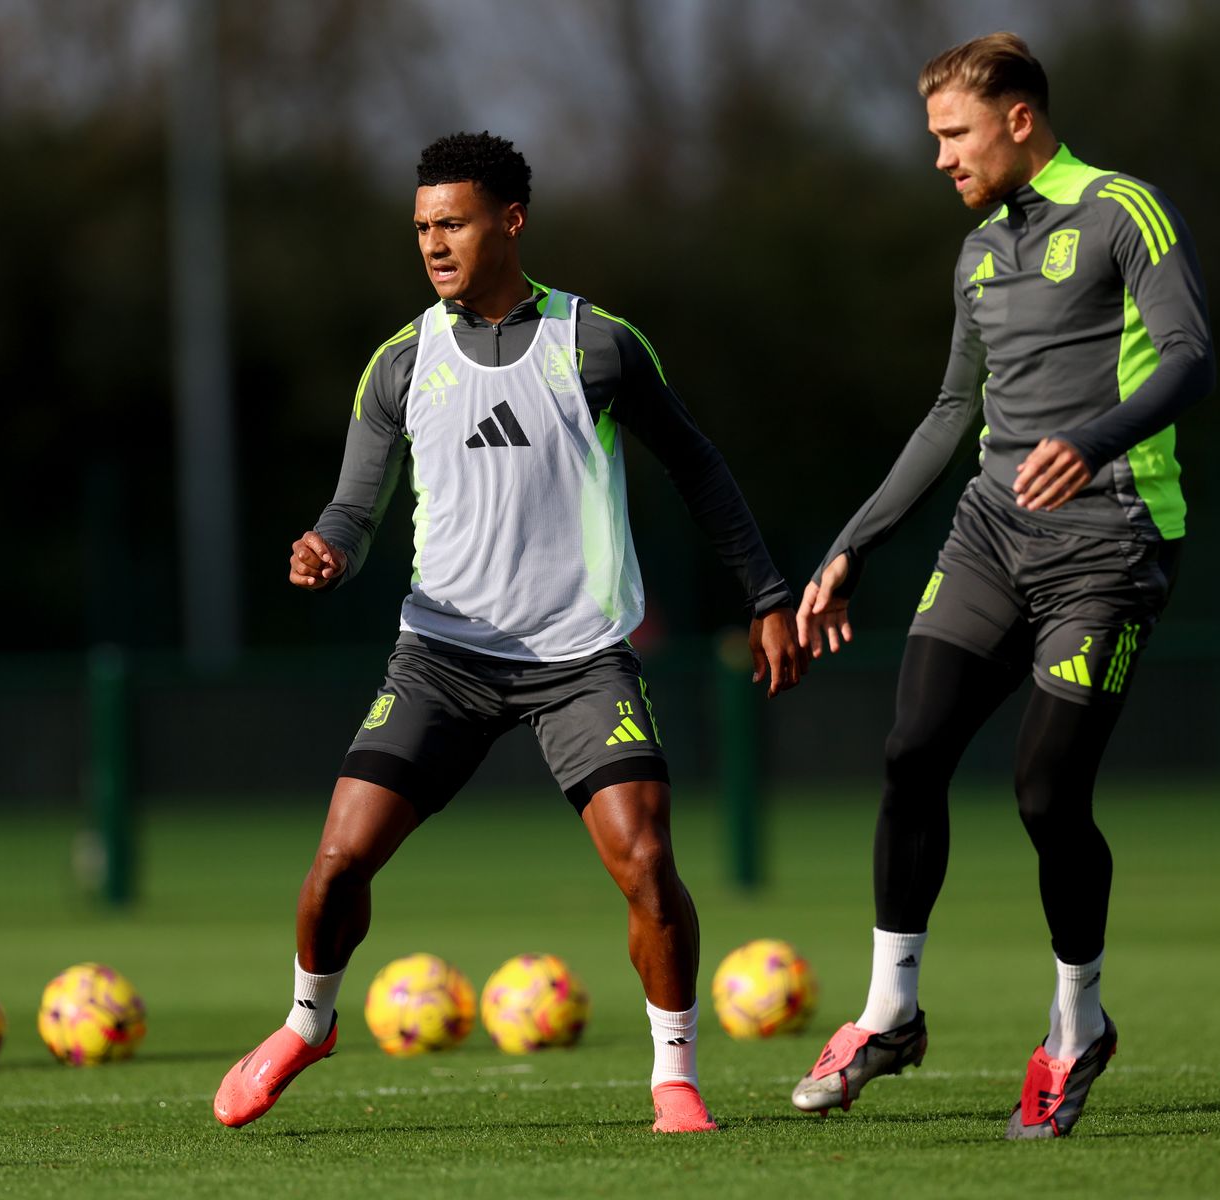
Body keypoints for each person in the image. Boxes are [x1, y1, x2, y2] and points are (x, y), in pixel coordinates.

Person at [214, 131, 807, 1135]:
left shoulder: (600, 343)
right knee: (337, 864)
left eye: (452, 223)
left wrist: (766, 594)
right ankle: (309, 1022)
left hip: (579, 659)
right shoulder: (402, 361)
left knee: (648, 864)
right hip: (441, 655)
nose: (433, 244)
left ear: (511, 221)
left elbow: (699, 468)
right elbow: (355, 511)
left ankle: (674, 1076)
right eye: (421, 228)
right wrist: (325, 548)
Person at [789, 33, 1213, 1138]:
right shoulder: (980, 252)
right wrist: (853, 545)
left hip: (1108, 542)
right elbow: (949, 414)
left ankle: (1078, 1025)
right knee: (910, 748)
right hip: (990, 535)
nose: (939, 157)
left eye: (952, 134)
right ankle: (890, 1013)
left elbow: (1188, 355)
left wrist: (1095, 435)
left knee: (1044, 794)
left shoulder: (1125, 210)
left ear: (1019, 119)